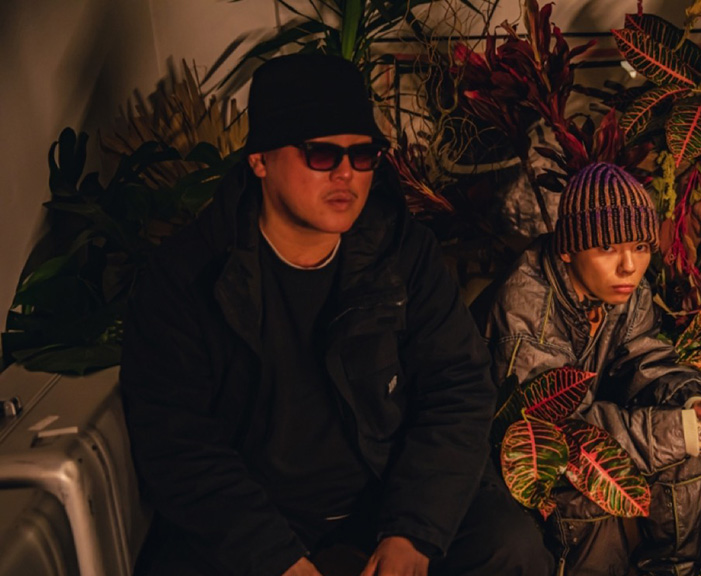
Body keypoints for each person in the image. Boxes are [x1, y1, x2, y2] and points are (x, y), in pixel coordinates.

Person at [120, 53, 552, 576]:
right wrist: (275, 559)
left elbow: (457, 386)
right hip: (261, 510)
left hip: (385, 489)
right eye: (321, 154)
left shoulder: (400, 249)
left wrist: (413, 531)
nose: (346, 173)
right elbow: (177, 441)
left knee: (510, 548)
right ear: (260, 161)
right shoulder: (188, 273)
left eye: (362, 154)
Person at [483, 162, 701, 576]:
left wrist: (699, 407)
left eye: (640, 246)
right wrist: (683, 431)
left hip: (587, 433)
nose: (629, 266)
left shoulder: (623, 290)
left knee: (695, 460)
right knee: (594, 495)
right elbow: (563, 433)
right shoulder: (527, 309)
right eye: (607, 248)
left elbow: (646, 361)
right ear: (568, 249)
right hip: (517, 464)